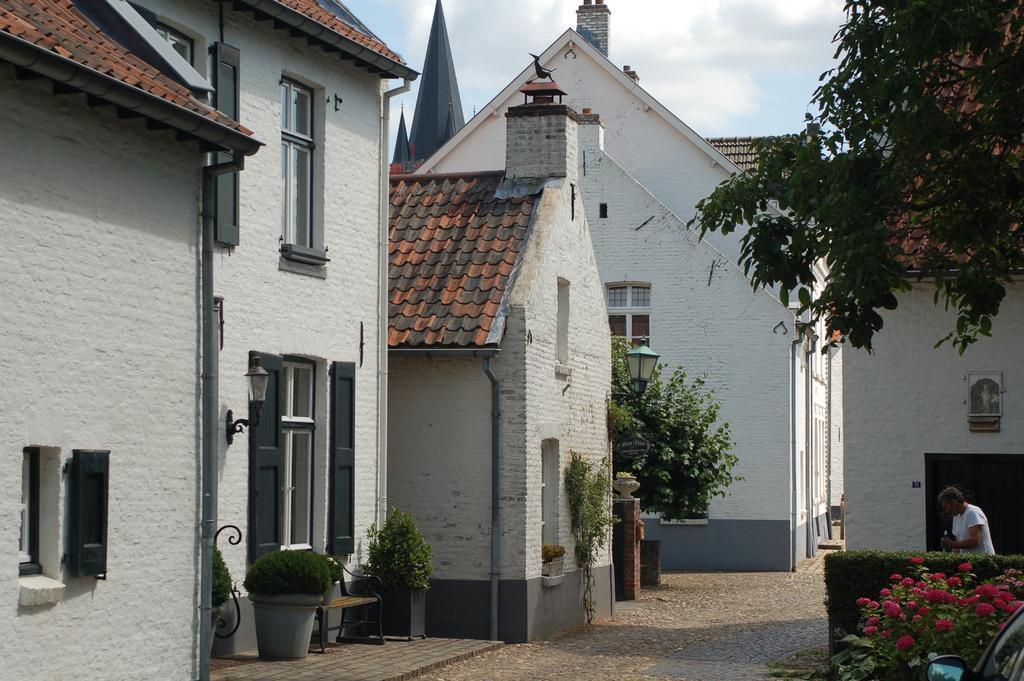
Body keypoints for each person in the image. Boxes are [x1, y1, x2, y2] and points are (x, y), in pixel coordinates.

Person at [938, 486, 996, 555]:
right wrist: (950, 560)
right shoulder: (956, 517)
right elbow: (958, 545)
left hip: (984, 562)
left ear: (953, 502)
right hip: (970, 562)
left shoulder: (973, 512)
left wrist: (951, 544)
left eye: (946, 507)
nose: (946, 511)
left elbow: (974, 541)